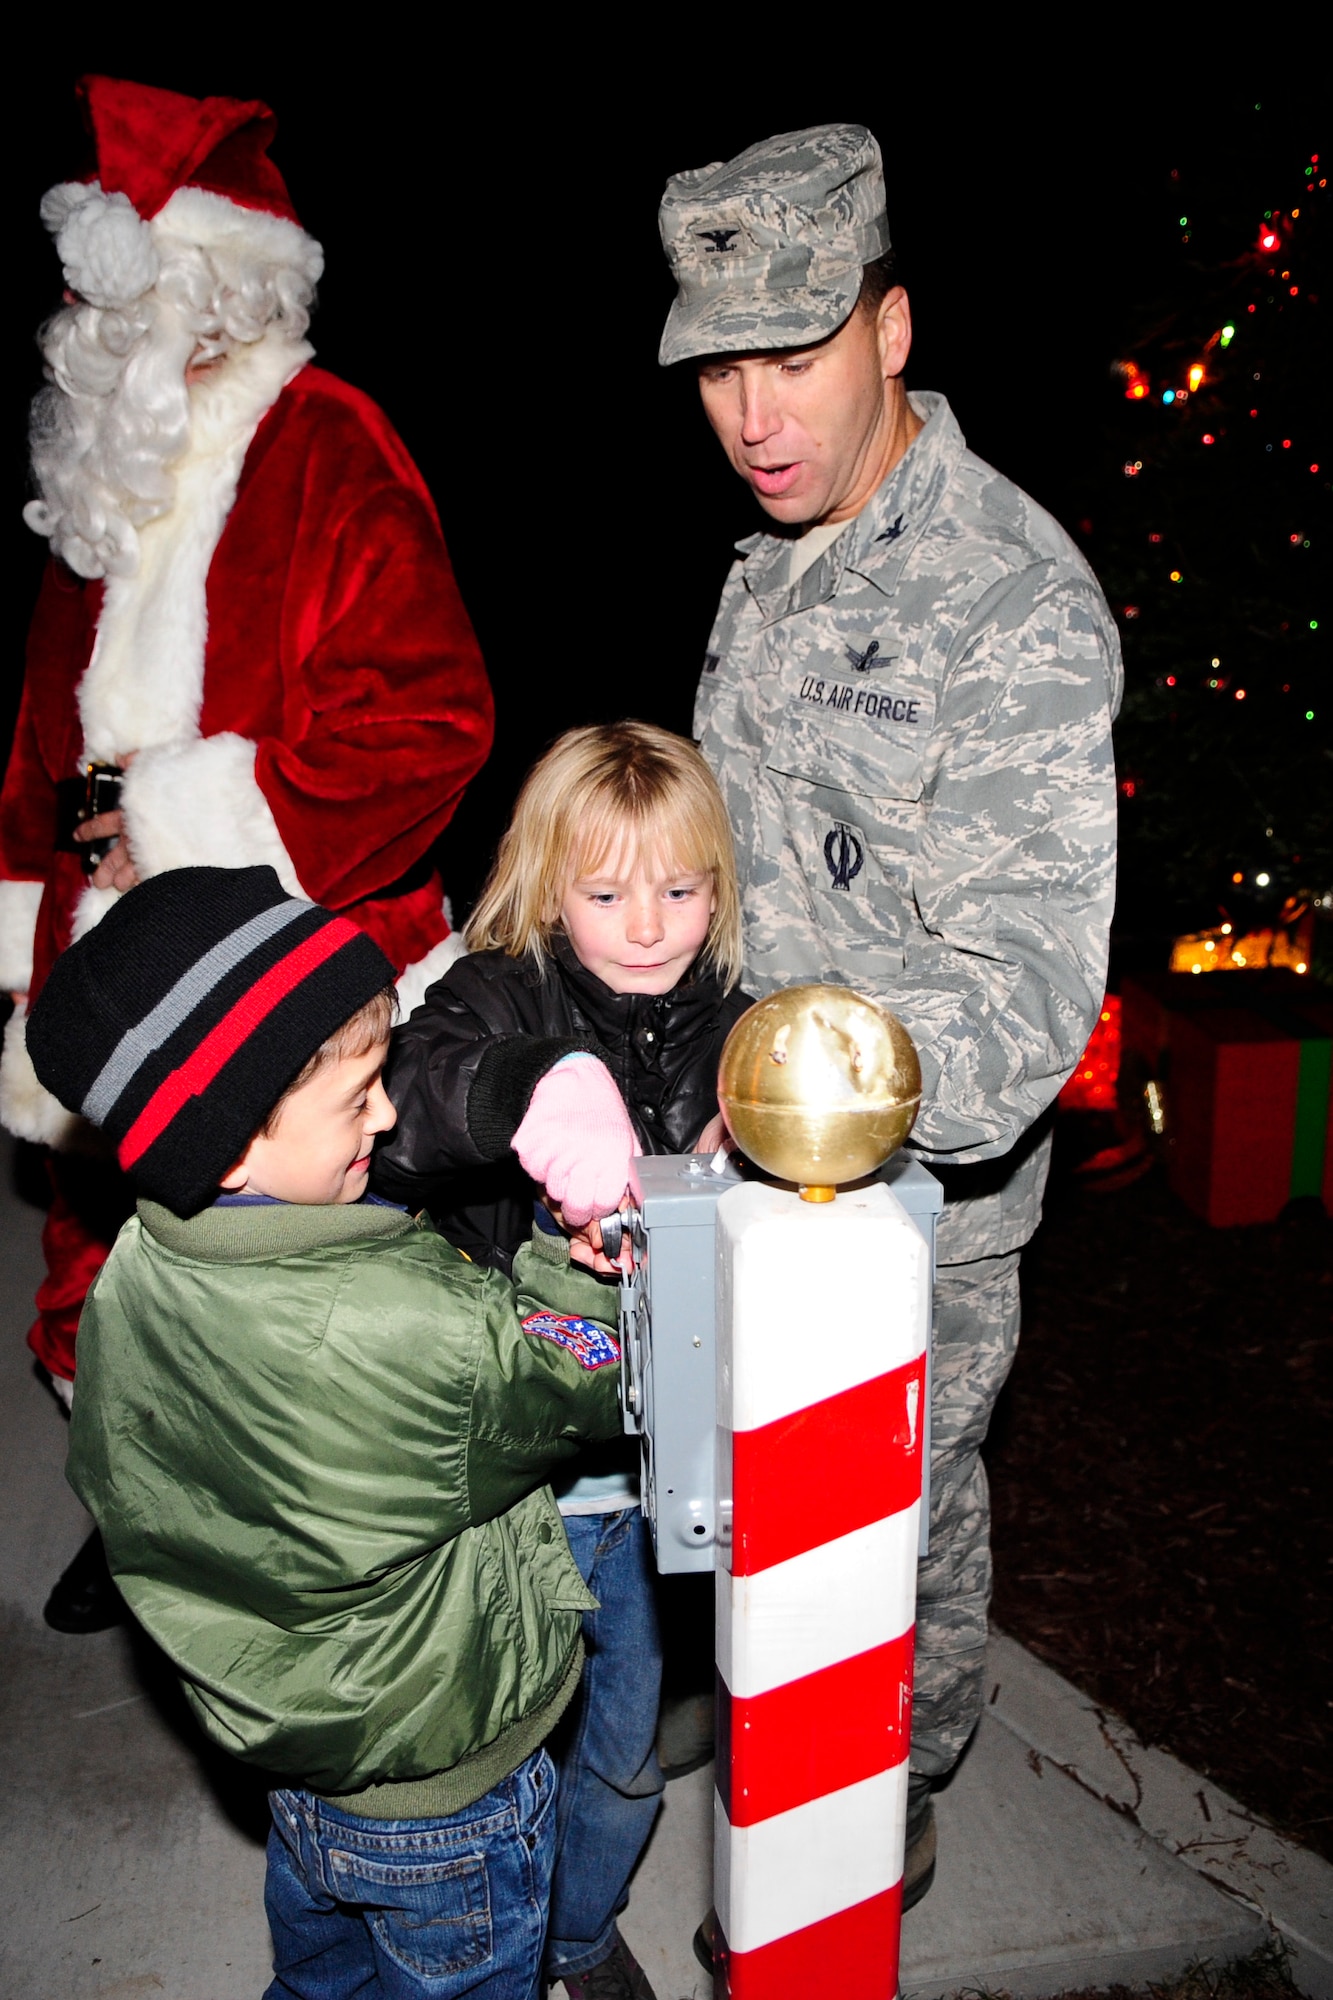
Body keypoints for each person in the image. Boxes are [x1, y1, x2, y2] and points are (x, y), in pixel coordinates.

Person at [657, 124, 1122, 1925]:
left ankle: (872, 1813)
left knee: (896, 1525)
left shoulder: (1007, 602)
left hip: (905, 1207)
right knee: (739, 1482)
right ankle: (768, 1684)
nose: (752, 413)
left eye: (792, 356)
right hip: (734, 1163)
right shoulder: (771, 565)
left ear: (892, 328)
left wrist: (770, 1080)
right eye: (718, 368)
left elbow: (1018, 1003)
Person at [0, 75, 492, 1627]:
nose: (94, 326)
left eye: (121, 294)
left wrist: (172, 816)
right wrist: (49, 888)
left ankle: (321, 1551)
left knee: (293, 1286)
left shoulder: (329, 446)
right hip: (111, 956)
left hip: (288, 972)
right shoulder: (103, 479)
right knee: (109, 1270)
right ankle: (142, 1510)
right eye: (86, 296)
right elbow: (43, 742)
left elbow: (430, 722)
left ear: (214, 290)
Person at [26, 863, 629, 2000]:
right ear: (232, 1144)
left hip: (295, 1757)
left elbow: (124, 1478)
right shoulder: (401, 1328)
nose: (391, 1111)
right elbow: (574, 1378)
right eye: (357, 1098)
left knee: (321, 1979)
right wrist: (579, 1261)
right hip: (446, 1786)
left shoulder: (138, 1273)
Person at [375, 721, 754, 2000]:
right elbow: (408, 1097)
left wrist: (753, 1154)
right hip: (513, 1471)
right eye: (604, 892)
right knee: (490, 1742)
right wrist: (538, 1090)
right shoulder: (501, 988)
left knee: (624, 1743)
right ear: (547, 886)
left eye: (681, 889)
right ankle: (493, 1932)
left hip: (651, 1474)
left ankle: (581, 1937)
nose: (647, 925)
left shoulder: (740, 1022)